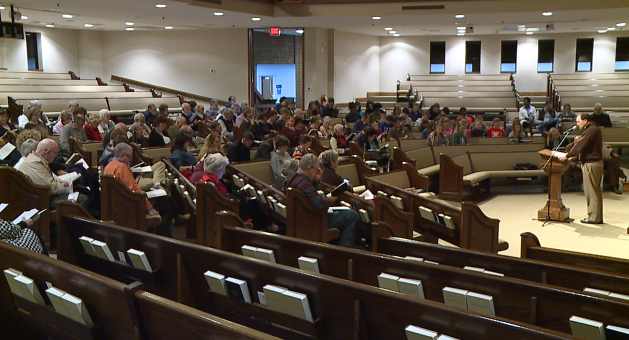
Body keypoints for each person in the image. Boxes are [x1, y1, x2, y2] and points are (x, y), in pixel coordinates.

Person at [282, 154, 358, 248]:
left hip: (300, 218)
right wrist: (330, 200)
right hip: (314, 221)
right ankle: (344, 252)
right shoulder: (304, 183)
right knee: (352, 215)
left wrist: (317, 179)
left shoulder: (291, 178)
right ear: (309, 168)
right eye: (316, 168)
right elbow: (321, 204)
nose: (318, 171)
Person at [105, 143, 178, 237]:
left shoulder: (109, 166)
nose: (131, 160)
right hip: (130, 206)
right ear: (122, 155)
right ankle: (163, 239)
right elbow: (134, 191)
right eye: (130, 157)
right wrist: (149, 208)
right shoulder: (122, 168)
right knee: (166, 199)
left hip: (117, 205)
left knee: (164, 196)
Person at [198, 153, 278, 232]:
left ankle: (263, 226)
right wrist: (236, 198)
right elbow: (219, 200)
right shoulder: (210, 182)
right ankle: (266, 226)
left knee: (251, 201)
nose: (224, 172)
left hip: (224, 205)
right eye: (222, 169)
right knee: (251, 203)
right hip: (225, 209)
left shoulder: (209, 178)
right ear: (216, 169)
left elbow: (220, 196)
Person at [18, 138, 89, 209]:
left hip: (43, 196)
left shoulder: (38, 160)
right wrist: (62, 184)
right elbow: (50, 188)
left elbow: (51, 179)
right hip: (41, 201)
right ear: (47, 152)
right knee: (82, 199)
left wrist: (61, 182)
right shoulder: (33, 163)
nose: (56, 156)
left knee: (81, 189)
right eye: (55, 153)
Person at [559, 114, 604, 224]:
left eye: (579, 122)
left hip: (591, 164)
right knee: (595, 191)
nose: (577, 124)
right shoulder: (593, 129)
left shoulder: (591, 130)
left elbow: (580, 145)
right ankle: (597, 216)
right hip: (593, 163)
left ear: (585, 121)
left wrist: (567, 155)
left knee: (591, 192)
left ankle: (594, 217)